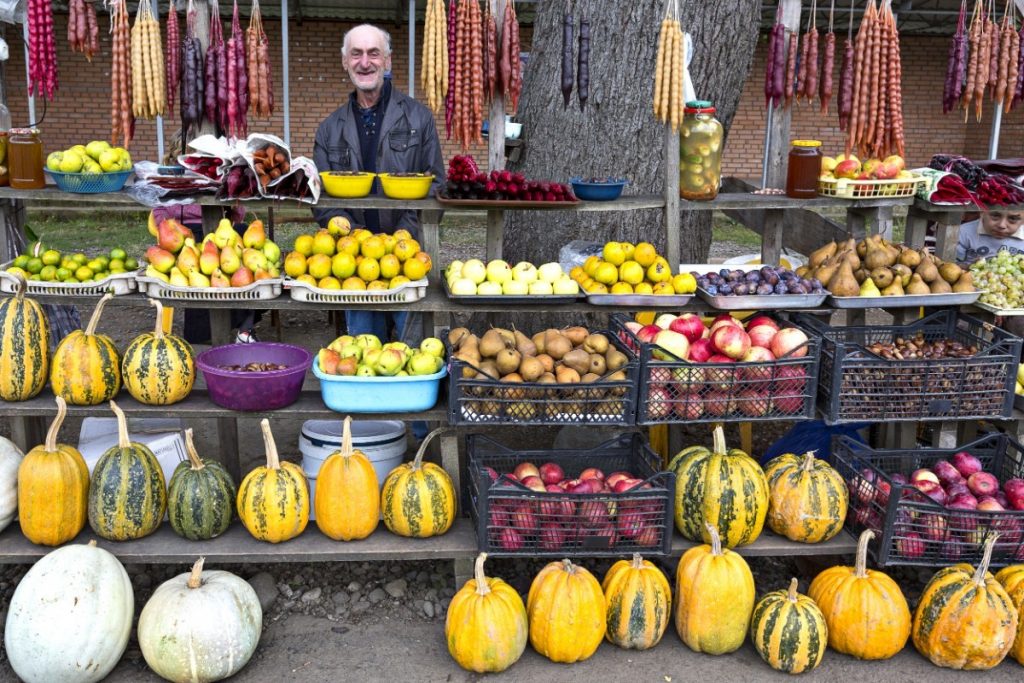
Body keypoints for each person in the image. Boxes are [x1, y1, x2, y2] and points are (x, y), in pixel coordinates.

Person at [312, 23, 444, 343]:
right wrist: (350, 239)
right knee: (363, 351)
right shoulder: (329, 129)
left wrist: (404, 238)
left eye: (374, 53)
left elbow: (437, 183)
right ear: (345, 61)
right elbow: (318, 195)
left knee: (412, 353)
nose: (365, 62)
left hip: (408, 256)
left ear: (387, 60)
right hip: (353, 261)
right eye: (356, 54)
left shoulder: (419, 118)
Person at [150, 205, 261, 344]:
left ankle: (245, 329)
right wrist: (166, 228)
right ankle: (201, 337)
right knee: (196, 270)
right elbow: (159, 205)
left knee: (245, 242)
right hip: (182, 232)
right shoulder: (171, 182)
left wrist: (231, 218)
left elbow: (237, 208)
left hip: (221, 227)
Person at [956, 208, 1024, 265]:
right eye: (995, 215)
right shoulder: (963, 232)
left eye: (1013, 218)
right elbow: (952, 266)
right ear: (982, 212)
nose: (1002, 225)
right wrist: (972, 267)